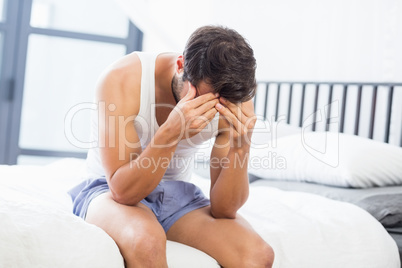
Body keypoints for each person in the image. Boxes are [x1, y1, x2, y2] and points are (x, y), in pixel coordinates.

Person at [69, 25, 275, 267]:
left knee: (258, 255)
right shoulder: (123, 79)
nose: (212, 110)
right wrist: (171, 131)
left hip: (176, 194)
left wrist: (242, 146)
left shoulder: (234, 98)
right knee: (146, 240)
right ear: (180, 66)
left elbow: (224, 210)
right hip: (107, 189)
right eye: (205, 98)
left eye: (222, 103)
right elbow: (123, 192)